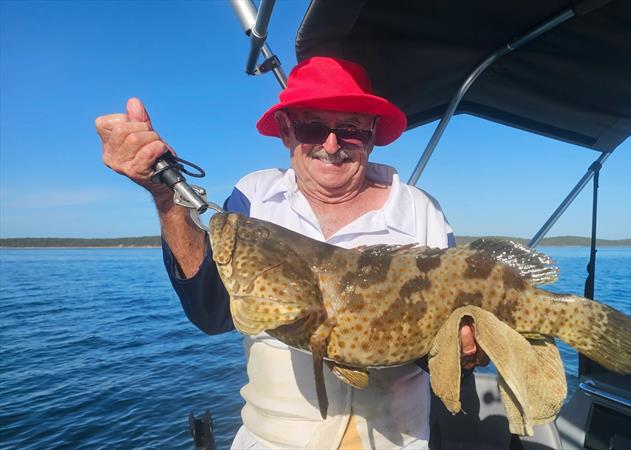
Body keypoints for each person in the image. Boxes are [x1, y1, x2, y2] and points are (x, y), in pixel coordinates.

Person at [95, 56, 487, 449]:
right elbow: (213, 313)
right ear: (286, 131)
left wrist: (465, 348)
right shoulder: (255, 196)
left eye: (350, 130)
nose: (331, 145)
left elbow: (441, 341)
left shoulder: (420, 209)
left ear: (371, 136)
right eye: (312, 127)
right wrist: (167, 197)